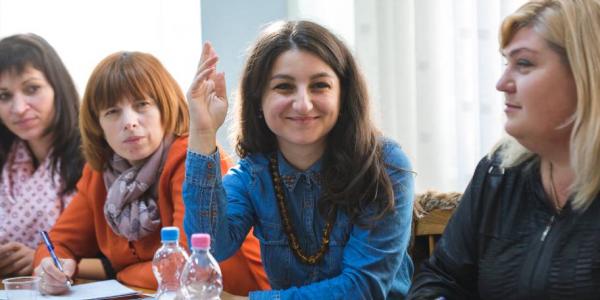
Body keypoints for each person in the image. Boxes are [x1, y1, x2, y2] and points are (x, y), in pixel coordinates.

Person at [183, 20, 415, 299]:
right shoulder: (252, 173)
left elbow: (363, 287)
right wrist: (202, 131)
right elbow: (210, 246)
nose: (303, 104)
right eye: (284, 87)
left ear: (343, 94)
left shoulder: (386, 165)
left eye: (320, 85)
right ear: (259, 99)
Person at [32, 51, 269, 295]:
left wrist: (118, 274)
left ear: (165, 108)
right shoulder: (99, 173)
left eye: (142, 105)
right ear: (97, 124)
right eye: (112, 111)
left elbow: (187, 266)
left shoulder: (194, 157)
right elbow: (56, 243)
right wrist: (51, 267)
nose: (129, 122)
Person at [408, 0, 600, 299]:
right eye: (506, 63)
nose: (501, 83)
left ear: (585, 73)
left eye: (524, 64)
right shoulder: (498, 172)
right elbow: (442, 277)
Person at [0, 33, 84, 277]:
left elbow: (115, 251)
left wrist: (40, 258)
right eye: (4, 96)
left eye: (32, 89)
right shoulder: (7, 159)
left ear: (58, 86)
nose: (19, 108)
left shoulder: (94, 155)